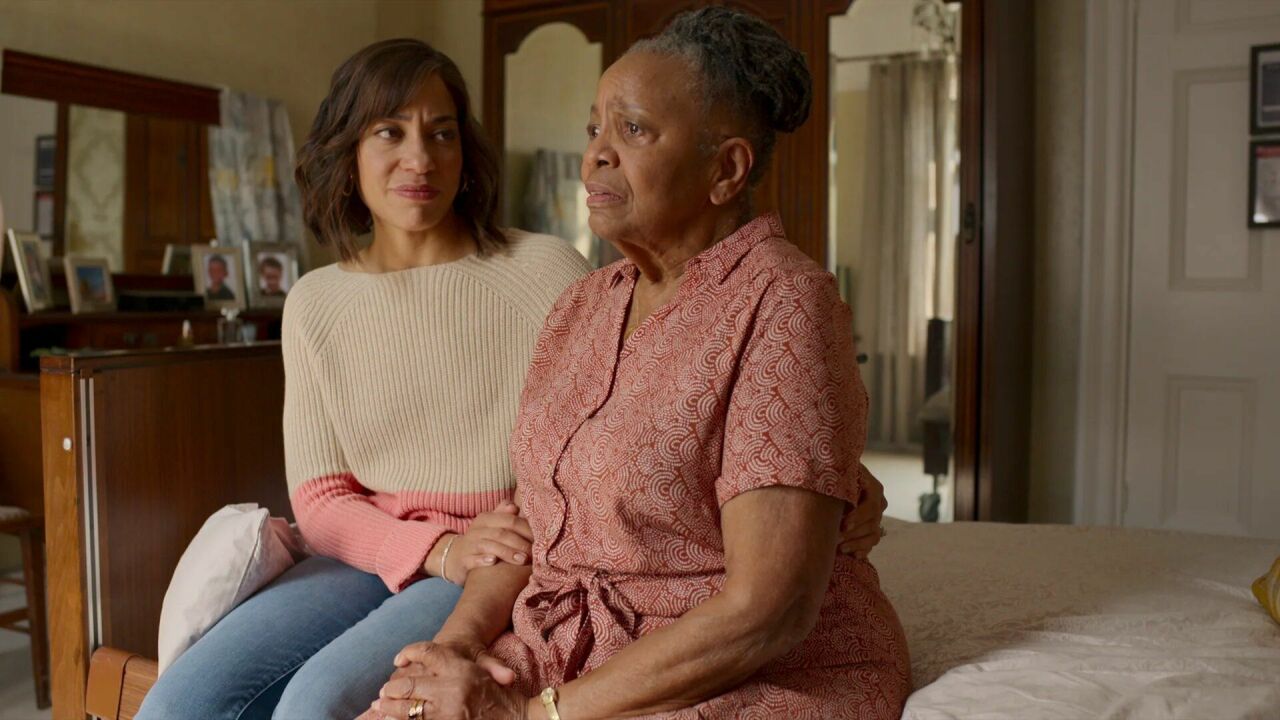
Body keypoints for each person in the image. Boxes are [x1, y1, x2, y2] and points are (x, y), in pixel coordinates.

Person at [139, 33, 887, 720]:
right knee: (182, 701)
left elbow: (704, 409)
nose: (420, 159)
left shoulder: (558, 274)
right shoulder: (587, 300)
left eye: (441, 133)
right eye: (389, 132)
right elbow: (324, 498)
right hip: (411, 556)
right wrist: (442, 575)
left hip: (510, 554)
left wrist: (833, 479)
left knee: (316, 702)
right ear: (348, 151)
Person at [368, 9, 909, 720]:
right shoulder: (582, 304)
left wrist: (531, 714)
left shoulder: (782, 302)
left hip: (733, 672)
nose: (597, 154)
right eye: (595, 128)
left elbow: (767, 610)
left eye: (633, 130)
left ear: (726, 170)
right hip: (560, 651)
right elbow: (532, 524)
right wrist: (458, 648)